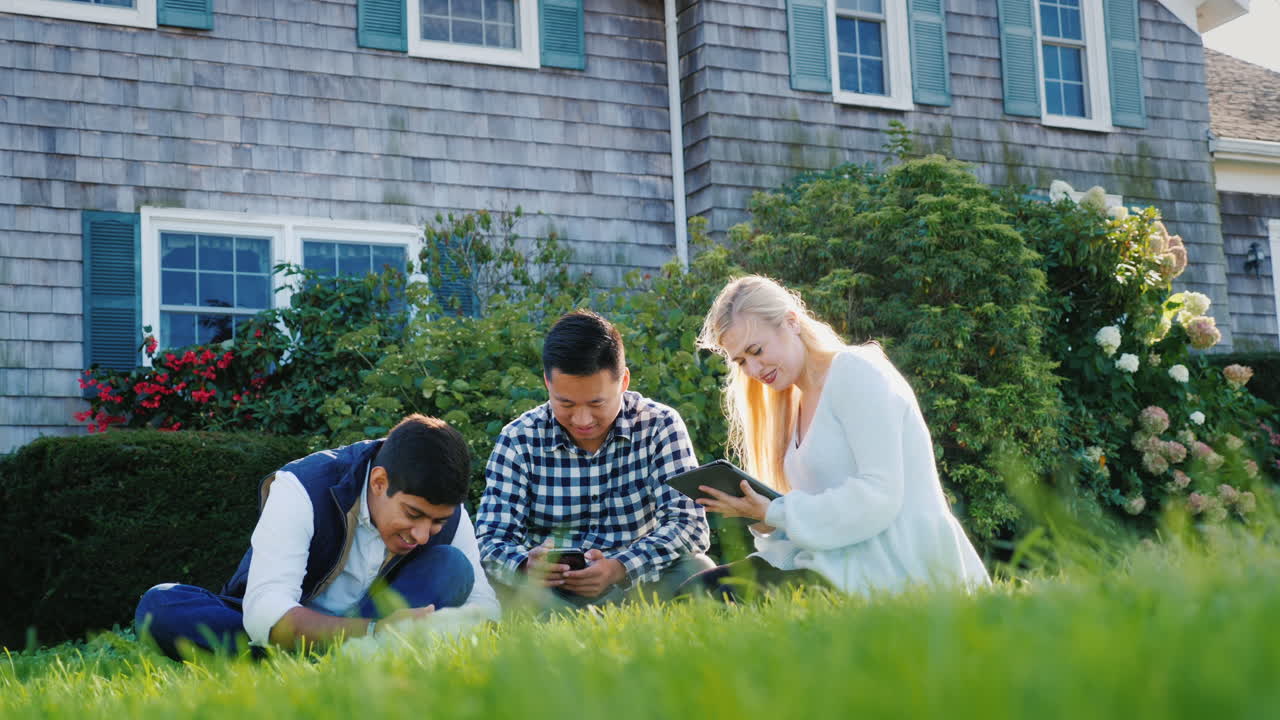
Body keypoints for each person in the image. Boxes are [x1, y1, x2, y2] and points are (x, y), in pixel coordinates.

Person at [682, 275, 989, 600]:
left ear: (791, 322)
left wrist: (776, 512)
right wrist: (761, 516)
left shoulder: (856, 371)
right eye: (741, 361)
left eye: (756, 350)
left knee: (717, 597)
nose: (755, 369)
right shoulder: (792, 404)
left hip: (892, 569)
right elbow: (812, 520)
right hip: (833, 563)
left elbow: (879, 495)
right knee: (696, 591)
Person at [134, 414, 499, 659]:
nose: (422, 535)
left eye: (436, 522)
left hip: (379, 623)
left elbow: (486, 609)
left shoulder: (447, 512)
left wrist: (436, 628)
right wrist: (374, 633)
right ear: (379, 482)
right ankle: (359, 656)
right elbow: (265, 613)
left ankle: (342, 659)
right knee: (161, 607)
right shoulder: (302, 486)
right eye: (413, 514)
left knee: (452, 566)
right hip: (284, 633)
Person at [475, 310, 713, 609]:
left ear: (623, 381)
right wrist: (525, 565)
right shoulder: (519, 439)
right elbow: (490, 539)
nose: (582, 419)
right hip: (553, 593)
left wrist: (619, 567)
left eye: (597, 403)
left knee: (697, 569)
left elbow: (688, 524)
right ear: (548, 384)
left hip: (638, 581)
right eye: (566, 404)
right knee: (505, 588)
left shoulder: (659, 425)